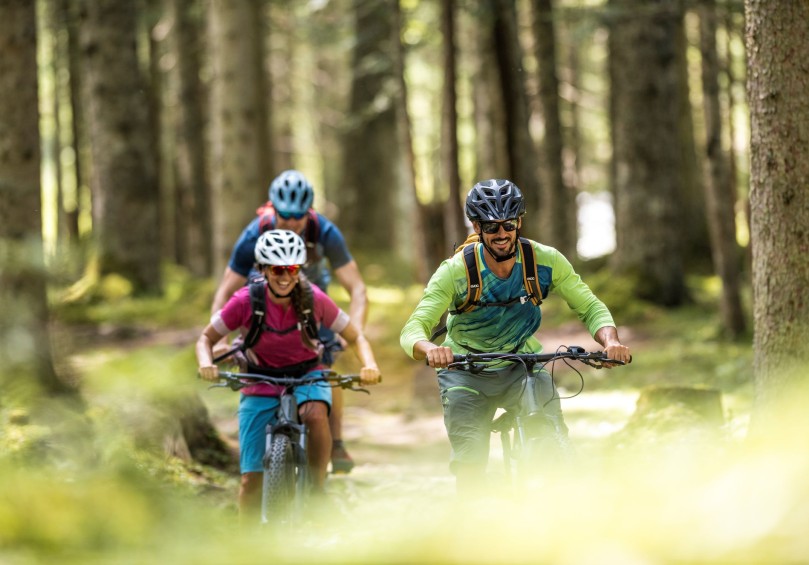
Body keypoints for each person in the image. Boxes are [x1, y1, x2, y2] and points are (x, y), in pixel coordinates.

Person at [400, 178, 631, 495]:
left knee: (553, 436)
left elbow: (590, 306)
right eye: (491, 227)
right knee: (470, 459)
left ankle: (566, 502)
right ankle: (471, 515)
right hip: (465, 370)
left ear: (519, 222)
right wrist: (430, 349)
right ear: (477, 227)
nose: (501, 234)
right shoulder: (456, 271)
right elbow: (413, 328)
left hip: (522, 364)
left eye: (508, 224)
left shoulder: (544, 261)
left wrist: (611, 342)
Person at [198, 230, 381, 519]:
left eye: (292, 269)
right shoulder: (245, 301)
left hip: (307, 374)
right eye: (277, 270)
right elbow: (205, 339)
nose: (285, 277)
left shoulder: (314, 298)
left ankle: (317, 491)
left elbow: (355, 336)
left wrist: (369, 365)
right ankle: (246, 541)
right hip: (258, 379)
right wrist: (206, 363)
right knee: (251, 480)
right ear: (263, 269)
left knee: (315, 415)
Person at [211, 169, 368, 473]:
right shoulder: (253, 234)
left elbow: (358, 288)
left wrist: (353, 331)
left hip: (313, 309)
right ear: (273, 209)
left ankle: (335, 442)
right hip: (266, 308)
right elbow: (225, 292)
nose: (292, 223)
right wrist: (219, 341)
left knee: (327, 367)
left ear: (310, 211)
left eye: (299, 216)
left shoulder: (324, 232)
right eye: (285, 215)